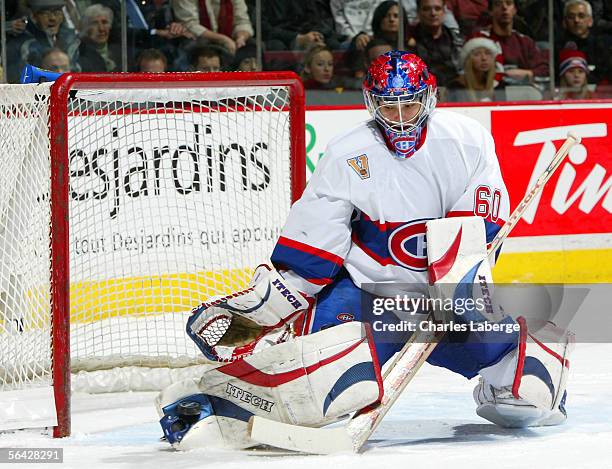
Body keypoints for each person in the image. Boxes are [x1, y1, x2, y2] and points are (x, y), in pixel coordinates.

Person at [156, 51, 573, 449]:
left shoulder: (466, 142)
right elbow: (317, 239)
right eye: (388, 107)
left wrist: (451, 292)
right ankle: (207, 405)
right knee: (321, 385)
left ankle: (504, 376)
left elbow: (475, 234)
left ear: (430, 98)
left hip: (446, 301)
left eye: (409, 106)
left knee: (531, 388)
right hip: (366, 294)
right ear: (371, 103)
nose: (399, 119)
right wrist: (273, 304)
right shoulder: (347, 154)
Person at [474, 0, 549, 84]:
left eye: (509, 3)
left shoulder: (525, 42)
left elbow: (544, 69)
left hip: (522, 94)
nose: (504, 7)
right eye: (498, 4)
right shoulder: (479, 40)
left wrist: (527, 73)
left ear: (515, 10)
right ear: (490, 11)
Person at [6, 0, 80, 82]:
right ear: (33, 17)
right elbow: (12, 78)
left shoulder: (71, 40)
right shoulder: (20, 44)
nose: (53, 18)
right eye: (46, 13)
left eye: (57, 13)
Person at [406, 0, 464, 86]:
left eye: (437, 9)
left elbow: (462, 70)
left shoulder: (455, 39)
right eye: (426, 9)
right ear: (418, 12)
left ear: (444, 12)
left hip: (453, 92)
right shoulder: (408, 39)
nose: (433, 13)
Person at [556, 0, 612, 84]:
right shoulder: (557, 46)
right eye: (571, 17)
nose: (576, 20)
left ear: (590, 21)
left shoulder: (604, 43)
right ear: (564, 22)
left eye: (581, 16)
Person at [172, 0, 253, 56]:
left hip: (230, 38)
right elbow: (189, 24)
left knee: (252, 46)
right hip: (198, 39)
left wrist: (241, 37)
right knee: (191, 44)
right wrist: (223, 39)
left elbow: (242, 21)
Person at [448, 36, 504, 101]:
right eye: (477, 54)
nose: (484, 58)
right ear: (468, 60)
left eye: (487, 53)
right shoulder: (456, 87)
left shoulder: (498, 86)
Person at [78, 4, 121, 72]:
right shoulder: (79, 54)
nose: (101, 29)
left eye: (105, 22)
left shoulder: (121, 53)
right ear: (86, 27)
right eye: (95, 23)